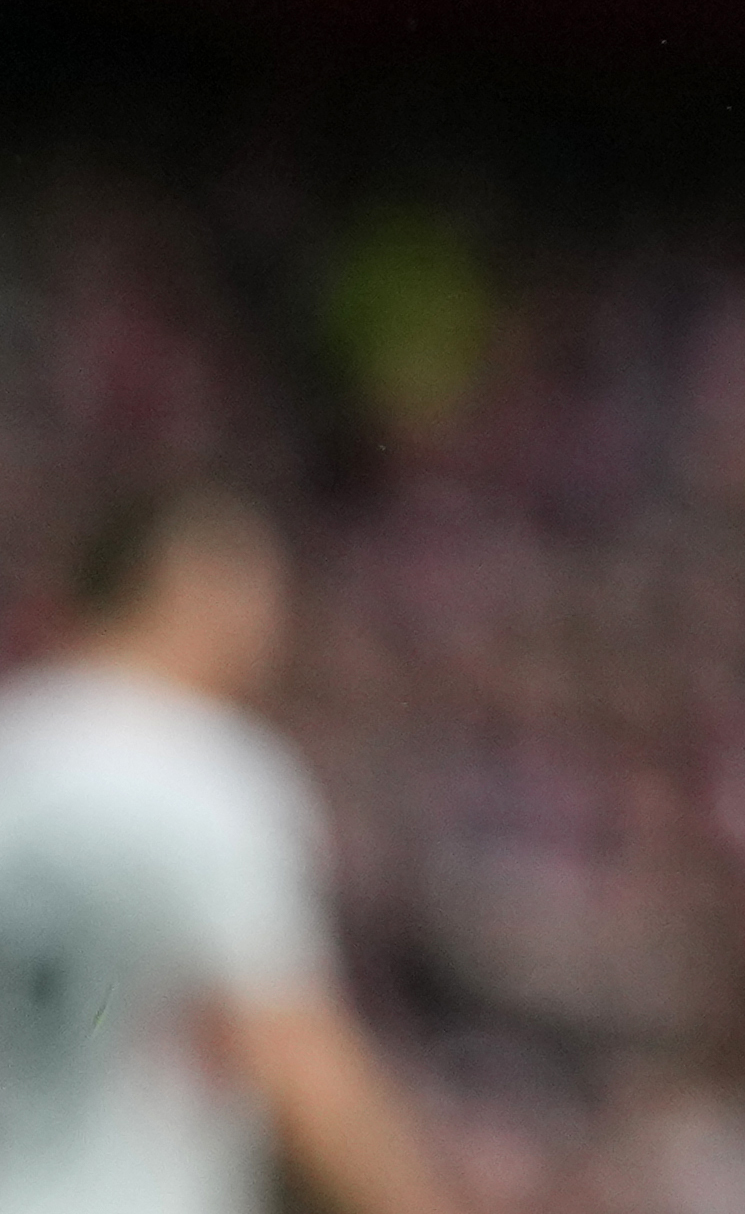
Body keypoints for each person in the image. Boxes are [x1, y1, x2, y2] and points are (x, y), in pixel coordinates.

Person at [0, 487, 467, 1214]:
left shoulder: (16, 745)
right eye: (258, 591)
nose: (272, 625)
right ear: (192, 584)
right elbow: (296, 1057)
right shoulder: (210, 776)